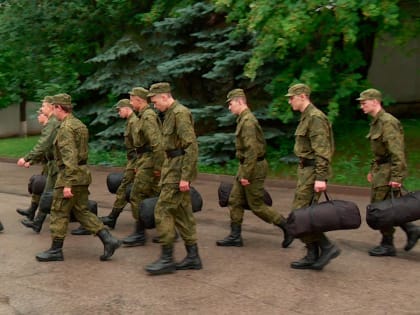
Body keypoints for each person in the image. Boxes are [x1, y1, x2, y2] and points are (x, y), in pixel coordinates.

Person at [35, 93, 121, 262]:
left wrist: (67, 183)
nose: (52, 112)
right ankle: (108, 239)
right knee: (81, 211)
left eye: (53, 109)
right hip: (82, 174)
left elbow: (69, 157)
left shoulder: (66, 128)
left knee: (58, 211)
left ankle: (55, 250)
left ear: (59, 108)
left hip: (70, 175)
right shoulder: (79, 125)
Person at [216, 89, 293, 249]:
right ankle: (235, 236)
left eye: (231, 104)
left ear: (240, 102)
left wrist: (246, 174)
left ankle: (287, 226)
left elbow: (252, 151)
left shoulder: (248, 122)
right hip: (246, 165)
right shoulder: (242, 119)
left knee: (256, 205)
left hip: (253, 168)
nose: (229, 108)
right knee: (235, 200)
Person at [144, 82, 202, 275]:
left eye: (155, 101)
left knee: (162, 210)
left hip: (178, 170)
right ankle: (193, 256)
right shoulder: (169, 114)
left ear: (164, 96)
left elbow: (191, 147)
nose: (154, 106)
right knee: (182, 213)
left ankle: (167, 258)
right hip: (172, 168)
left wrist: (186, 177)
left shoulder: (179, 113)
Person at [358, 88, 420, 256]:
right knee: (393, 207)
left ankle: (388, 244)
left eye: (364, 102)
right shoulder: (377, 122)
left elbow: (397, 152)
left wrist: (397, 177)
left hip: (388, 172)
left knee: (381, 208)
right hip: (381, 169)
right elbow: (381, 151)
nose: (361, 106)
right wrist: (373, 169)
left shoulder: (388, 122)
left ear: (375, 102)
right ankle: (411, 230)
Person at [286, 83, 340, 270]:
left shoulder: (315, 117)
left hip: (312, 173)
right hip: (306, 172)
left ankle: (327, 247)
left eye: (291, 97)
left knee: (300, 215)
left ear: (302, 96)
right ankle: (312, 254)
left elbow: (322, 151)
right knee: (306, 214)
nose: (289, 101)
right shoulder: (306, 117)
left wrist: (321, 177)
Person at [120, 87, 164, 246]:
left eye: (131, 100)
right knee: (155, 195)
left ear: (138, 100)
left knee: (136, 195)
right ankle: (167, 229)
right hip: (145, 160)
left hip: (150, 161)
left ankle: (140, 233)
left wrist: (158, 168)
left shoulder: (147, 117)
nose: (131, 103)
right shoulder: (144, 116)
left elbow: (156, 144)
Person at [17, 97, 61, 233]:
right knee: (47, 192)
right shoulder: (53, 123)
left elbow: (43, 145)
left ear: (51, 107)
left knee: (51, 194)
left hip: (58, 165)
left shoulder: (52, 123)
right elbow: (46, 149)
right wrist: (32, 160)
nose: (41, 109)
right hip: (54, 164)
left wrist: (27, 158)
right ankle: (36, 220)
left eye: (43, 107)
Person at [100, 99, 138, 229]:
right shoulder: (130, 122)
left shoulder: (134, 123)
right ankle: (112, 217)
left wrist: (138, 165)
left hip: (137, 163)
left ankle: (145, 226)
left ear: (127, 108)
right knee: (125, 189)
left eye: (119, 109)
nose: (118, 112)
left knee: (136, 192)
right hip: (133, 162)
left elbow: (140, 145)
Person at [16, 109, 49, 221]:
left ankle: (37, 220)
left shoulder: (50, 130)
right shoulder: (46, 129)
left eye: (40, 114)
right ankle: (32, 212)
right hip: (49, 167)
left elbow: (41, 148)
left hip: (56, 168)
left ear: (46, 117)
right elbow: (43, 151)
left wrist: (26, 159)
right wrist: (31, 161)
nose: (38, 116)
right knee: (40, 186)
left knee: (44, 189)